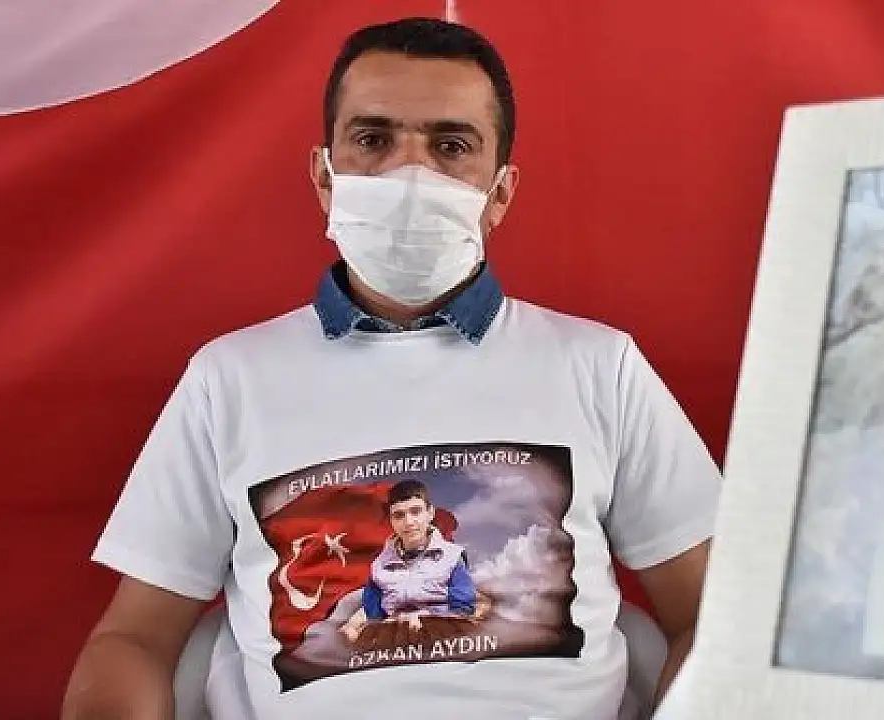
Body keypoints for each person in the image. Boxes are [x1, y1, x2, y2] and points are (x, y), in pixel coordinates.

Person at [62, 17, 722, 720]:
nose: (409, 175)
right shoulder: (227, 382)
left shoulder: (601, 368)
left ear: (500, 193)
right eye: (373, 140)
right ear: (325, 177)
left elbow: (717, 619)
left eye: (450, 146)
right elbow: (136, 638)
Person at [340, 480, 478, 646]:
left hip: (441, 638)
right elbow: (373, 615)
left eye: (416, 511)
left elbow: (462, 611)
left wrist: (426, 620)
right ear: (391, 520)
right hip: (392, 640)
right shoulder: (378, 567)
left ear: (430, 513)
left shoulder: (452, 557)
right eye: (399, 515)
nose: (408, 522)